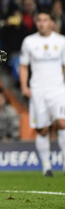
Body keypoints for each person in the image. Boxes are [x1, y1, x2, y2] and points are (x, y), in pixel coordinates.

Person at [19, 11, 65, 177]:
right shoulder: (29, 42)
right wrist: (24, 86)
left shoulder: (61, 41)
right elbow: (24, 65)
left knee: (62, 123)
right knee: (43, 129)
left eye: (45, 20)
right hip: (38, 91)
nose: (42, 23)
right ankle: (46, 166)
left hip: (58, 90)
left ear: (52, 22)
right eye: (39, 20)